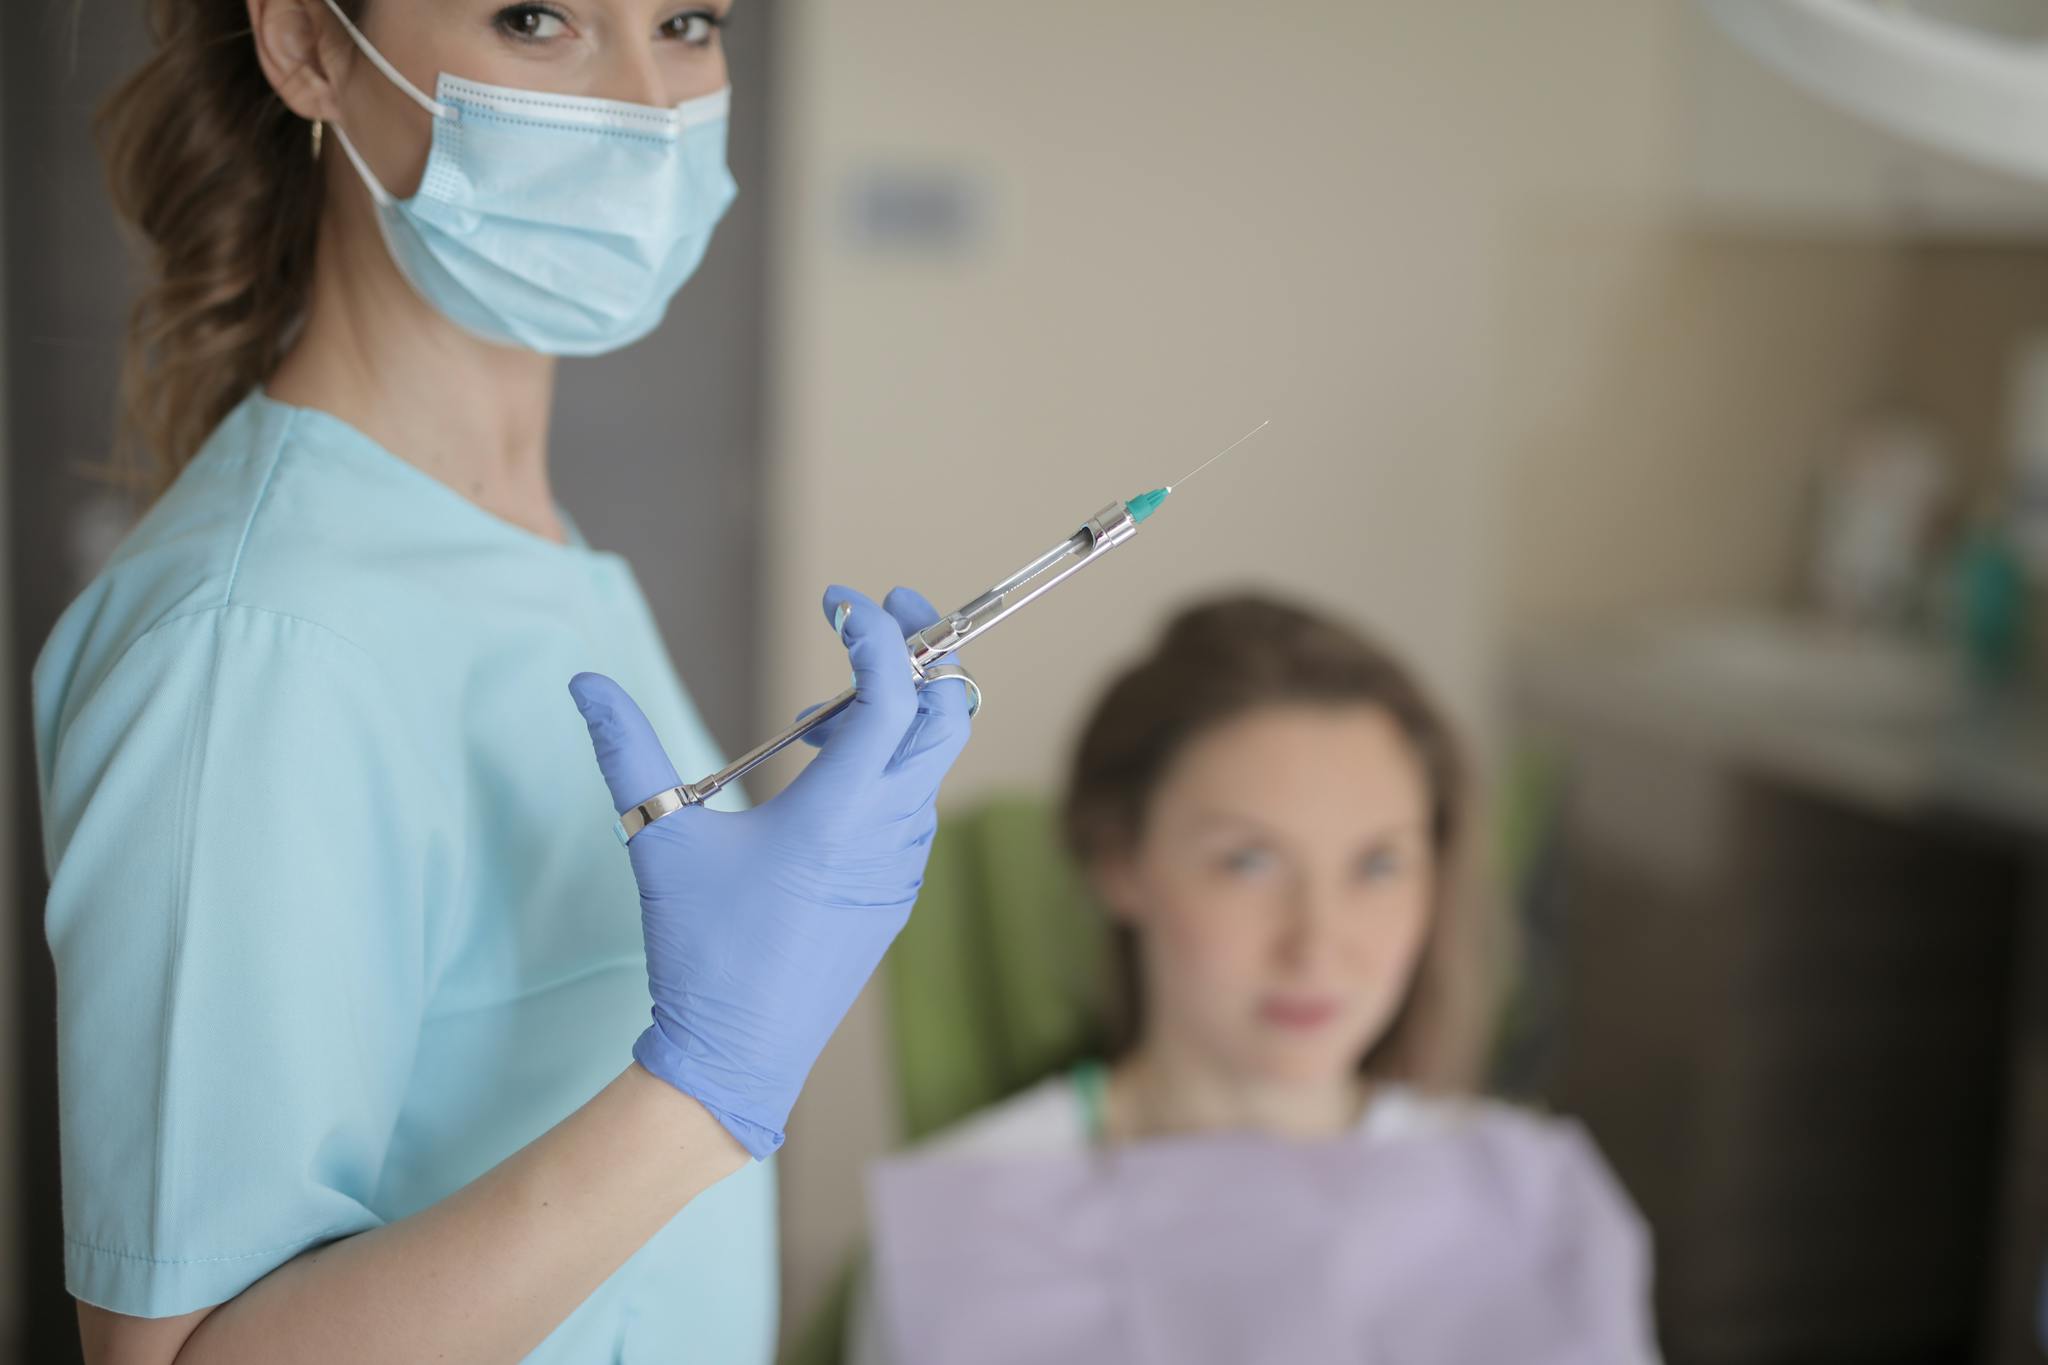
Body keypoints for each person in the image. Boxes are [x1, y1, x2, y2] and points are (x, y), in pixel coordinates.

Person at [34, 2, 972, 1360]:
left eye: (688, 22)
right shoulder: (251, 640)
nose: (650, 106)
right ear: (306, 43)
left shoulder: (527, 543)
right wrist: (701, 1091)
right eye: (537, 20)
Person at [850, 596, 1659, 1365]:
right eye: (1249, 860)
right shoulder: (971, 1225)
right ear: (1118, 858)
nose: (1317, 946)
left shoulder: (1533, 1199)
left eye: (1378, 864)